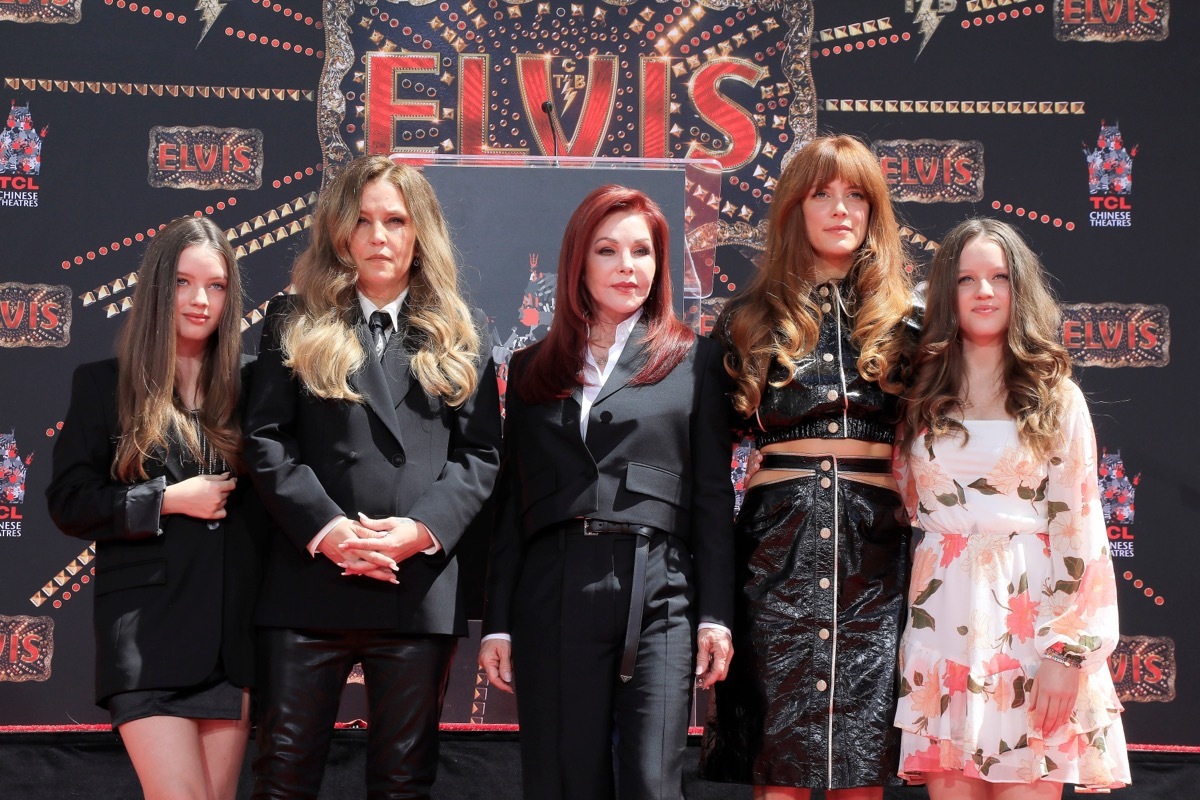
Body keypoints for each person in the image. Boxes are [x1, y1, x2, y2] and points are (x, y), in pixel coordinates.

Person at [243, 154, 502, 799]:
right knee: (284, 775)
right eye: (362, 221)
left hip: (413, 589)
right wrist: (327, 530)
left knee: (402, 783)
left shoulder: (459, 334)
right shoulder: (292, 319)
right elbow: (266, 438)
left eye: (395, 220)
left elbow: (481, 457)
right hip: (308, 585)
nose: (378, 236)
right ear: (339, 233)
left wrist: (419, 531)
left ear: (421, 234)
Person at [478, 184, 735, 800]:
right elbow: (511, 507)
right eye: (608, 250)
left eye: (642, 252)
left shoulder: (695, 362)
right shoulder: (532, 368)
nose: (628, 266)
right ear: (578, 262)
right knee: (564, 781)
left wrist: (715, 615)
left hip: (660, 588)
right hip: (554, 586)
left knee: (652, 782)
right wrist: (498, 625)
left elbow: (710, 498)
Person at [701, 134, 918, 799]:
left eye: (856, 194)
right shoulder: (745, 323)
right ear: (793, 209)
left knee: (863, 764)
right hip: (776, 557)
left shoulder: (910, 327)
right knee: (781, 765)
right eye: (821, 194)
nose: (839, 209)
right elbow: (708, 475)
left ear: (876, 210)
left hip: (877, 562)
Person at [891, 218, 1130, 797]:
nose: (984, 292)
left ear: (1020, 289)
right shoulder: (917, 392)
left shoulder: (1056, 396)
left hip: (1032, 625)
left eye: (999, 277)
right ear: (946, 292)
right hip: (941, 622)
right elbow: (902, 502)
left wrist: (1065, 654)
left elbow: (1081, 531)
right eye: (967, 279)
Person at [46, 215, 266, 800]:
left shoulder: (251, 392)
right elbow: (68, 502)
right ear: (157, 287)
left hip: (231, 644)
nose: (200, 300)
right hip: (146, 638)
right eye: (184, 283)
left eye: (216, 286)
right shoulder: (103, 384)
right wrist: (166, 500)